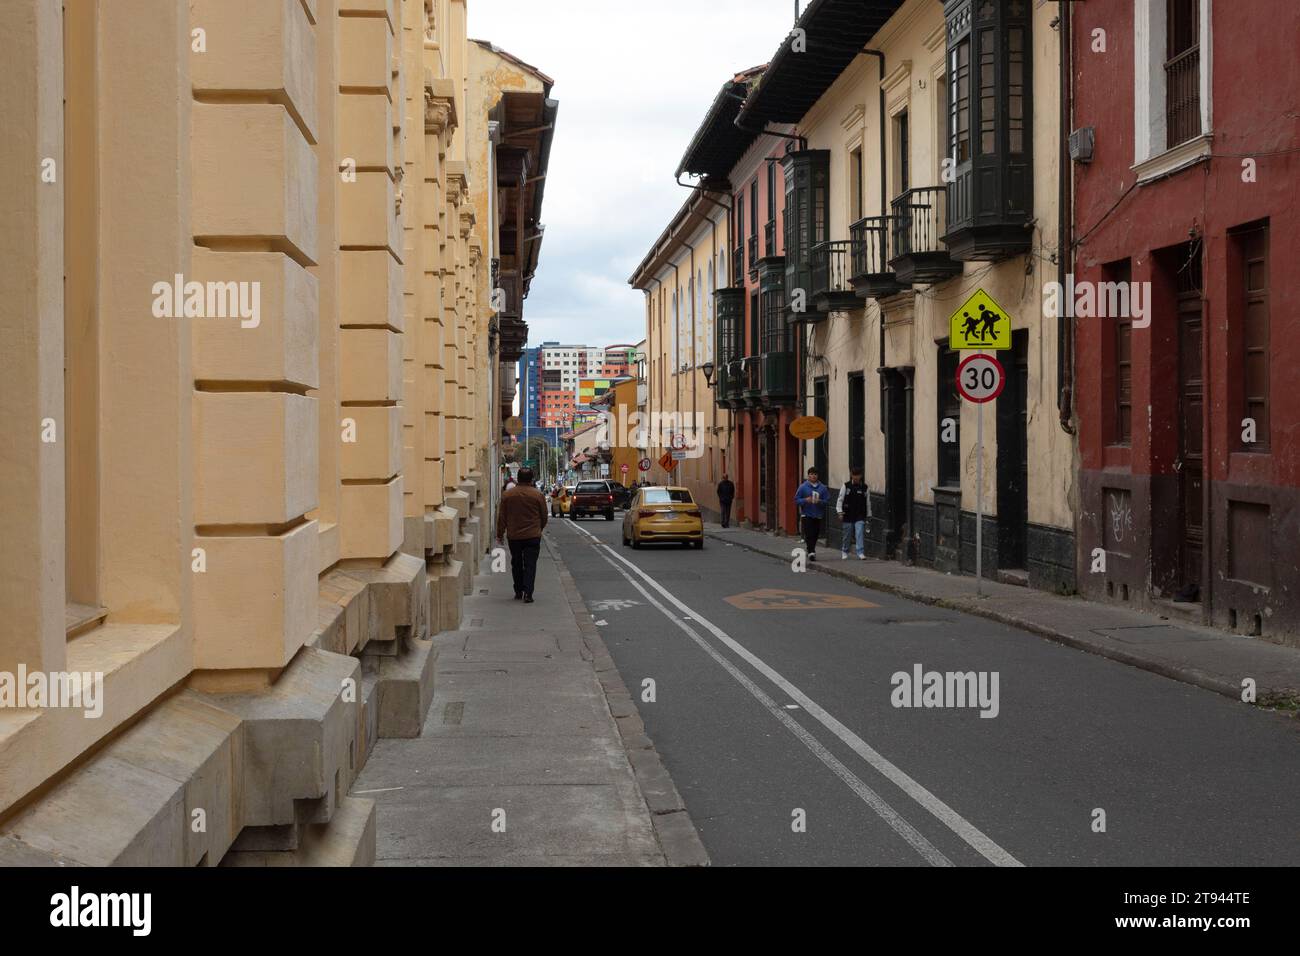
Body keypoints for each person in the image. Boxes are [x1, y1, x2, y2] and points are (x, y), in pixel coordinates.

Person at [496, 467, 548, 603]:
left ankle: (518, 591)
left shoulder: (508, 495)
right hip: (532, 536)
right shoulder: (538, 495)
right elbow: (544, 516)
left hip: (514, 536)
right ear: (531, 479)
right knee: (530, 564)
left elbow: (502, 517)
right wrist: (539, 528)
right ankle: (528, 593)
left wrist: (500, 533)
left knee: (516, 563)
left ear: (518, 479)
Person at [794, 467, 830, 562]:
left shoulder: (822, 488)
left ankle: (810, 548)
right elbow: (796, 500)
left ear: (817, 476)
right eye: (811, 474)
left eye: (815, 474)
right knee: (809, 533)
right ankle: (811, 552)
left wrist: (820, 501)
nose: (813, 476)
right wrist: (805, 500)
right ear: (808, 475)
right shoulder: (803, 487)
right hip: (806, 514)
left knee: (815, 533)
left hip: (818, 514)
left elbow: (827, 501)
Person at [835, 466, 871, 560]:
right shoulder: (846, 486)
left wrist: (869, 515)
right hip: (847, 513)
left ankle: (860, 552)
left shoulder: (865, 487)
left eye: (857, 475)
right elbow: (840, 500)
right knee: (847, 533)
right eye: (854, 475)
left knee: (859, 532)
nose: (855, 477)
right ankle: (845, 550)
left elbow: (868, 502)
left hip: (860, 514)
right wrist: (839, 512)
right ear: (851, 475)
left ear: (861, 476)